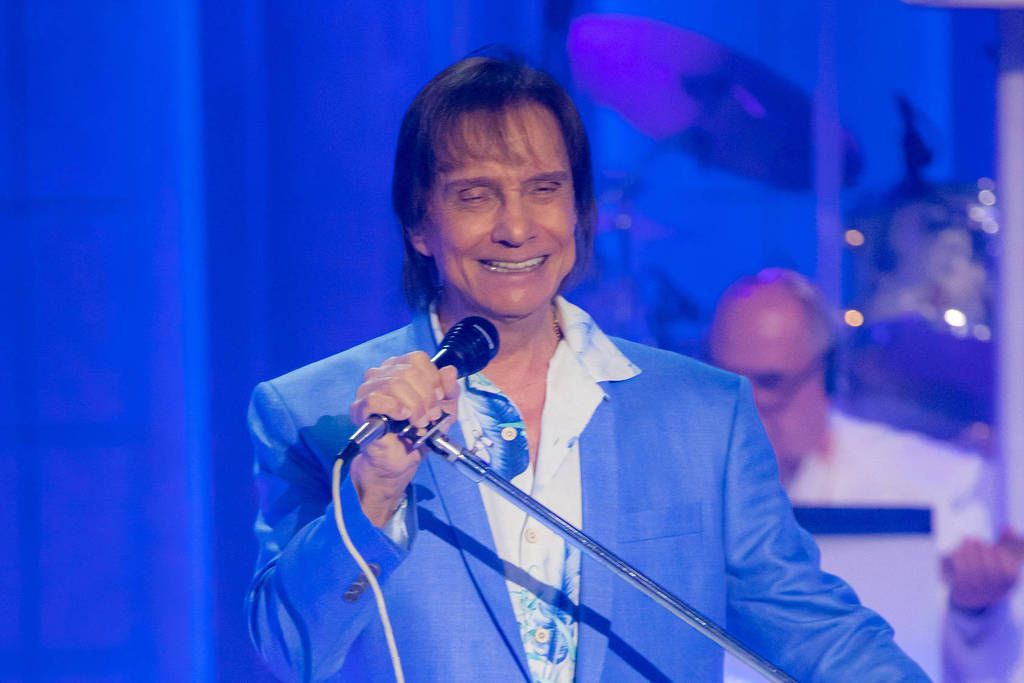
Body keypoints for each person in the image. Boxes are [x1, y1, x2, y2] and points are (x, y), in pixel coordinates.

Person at [245, 57, 928, 681]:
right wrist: (373, 493)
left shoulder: (703, 412)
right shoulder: (318, 414)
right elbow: (290, 651)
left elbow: (815, 630)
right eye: (475, 196)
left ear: (578, 209)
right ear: (418, 225)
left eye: (544, 189)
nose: (517, 228)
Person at [708, 267, 1024, 681]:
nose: (745, 406)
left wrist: (974, 608)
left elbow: (986, 665)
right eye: (726, 383)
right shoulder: (684, 484)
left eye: (769, 384)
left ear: (827, 374)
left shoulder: (934, 485)